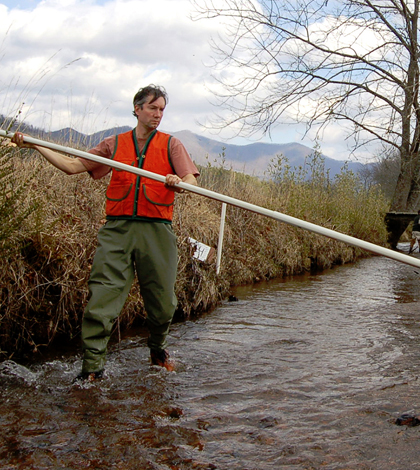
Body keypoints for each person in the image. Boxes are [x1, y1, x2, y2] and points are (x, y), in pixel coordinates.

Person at [12, 84, 199, 380]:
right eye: (153, 108)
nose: (158, 114)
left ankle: (158, 348)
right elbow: (72, 166)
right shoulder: (114, 144)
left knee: (163, 305)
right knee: (102, 299)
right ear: (137, 109)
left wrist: (180, 180)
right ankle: (92, 368)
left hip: (157, 232)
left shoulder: (171, 145)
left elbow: (191, 180)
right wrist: (36, 144)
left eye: (162, 109)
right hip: (117, 231)